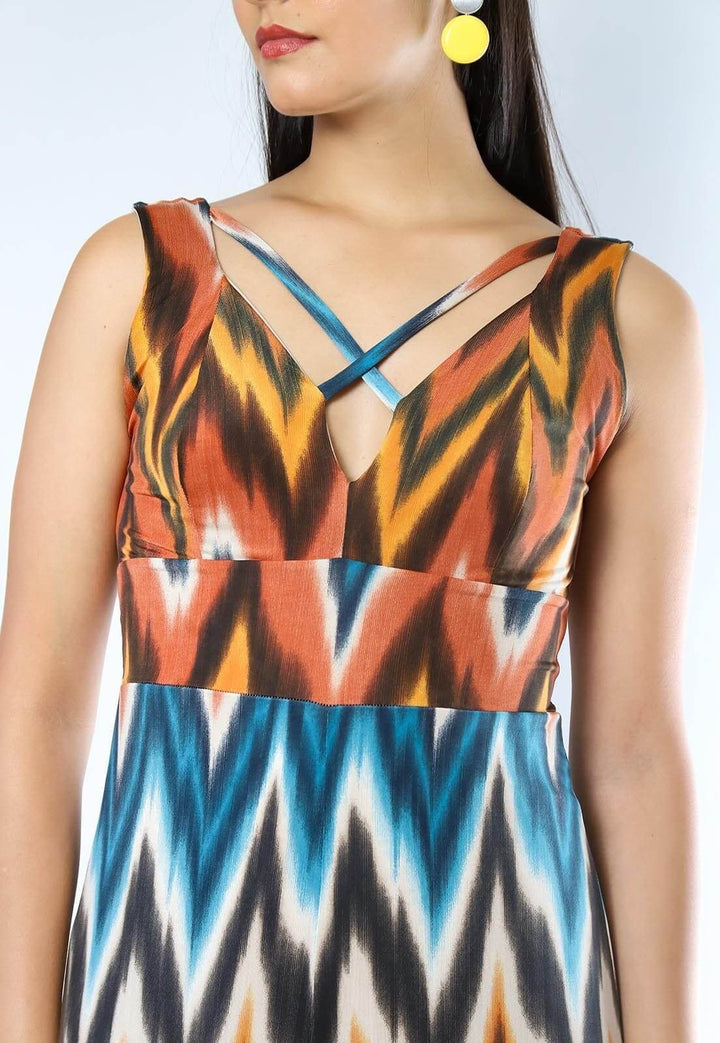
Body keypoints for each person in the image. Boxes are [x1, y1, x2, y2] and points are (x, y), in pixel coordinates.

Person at [0, 1, 703, 1040]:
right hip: (175, 978)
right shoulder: (144, 280)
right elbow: (36, 714)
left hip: (502, 982)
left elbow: (634, 748)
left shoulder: (624, 319)